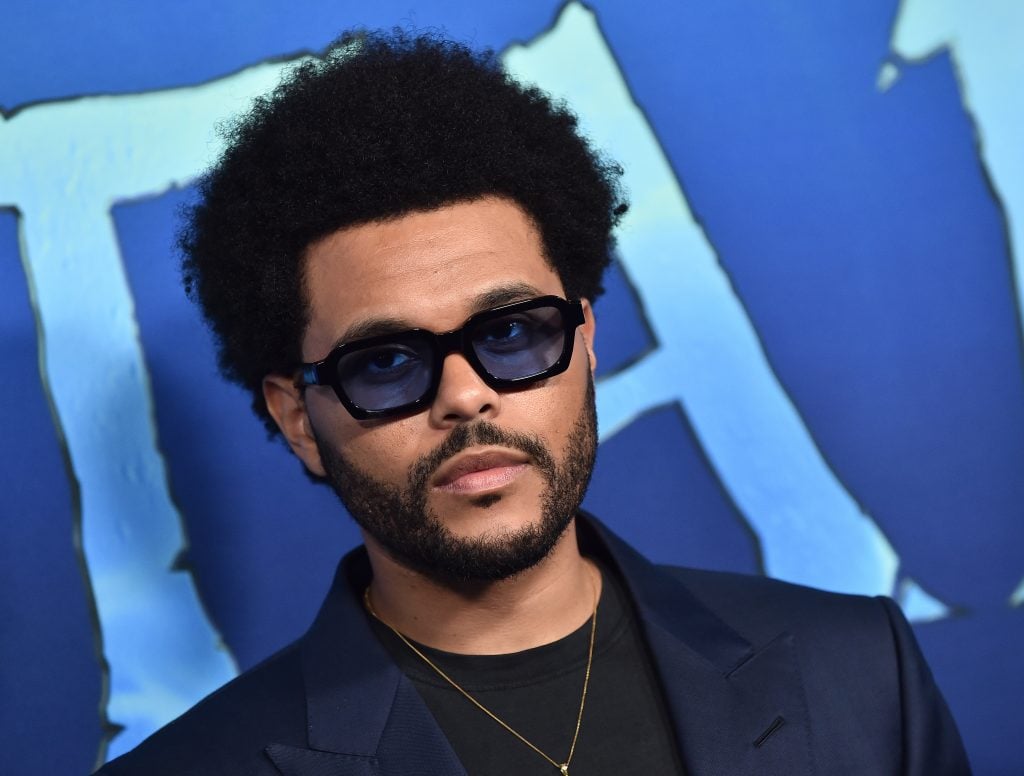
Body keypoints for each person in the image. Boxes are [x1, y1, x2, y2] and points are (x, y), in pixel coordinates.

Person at [95, 30, 970, 776]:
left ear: (584, 343)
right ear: (298, 418)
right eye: (388, 361)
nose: (466, 396)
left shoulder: (860, 675)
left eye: (512, 334)